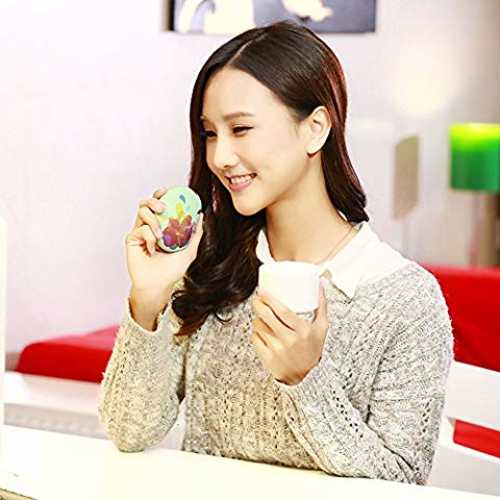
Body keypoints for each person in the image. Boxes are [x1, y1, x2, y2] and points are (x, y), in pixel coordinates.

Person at [98, 20, 453, 485]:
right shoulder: (212, 264)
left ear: (315, 129)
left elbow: (402, 482)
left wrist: (306, 379)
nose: (220, 157)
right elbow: (129, 431)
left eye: (241, 129)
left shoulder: (405, 301)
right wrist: (148, 299)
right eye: (209, 134)